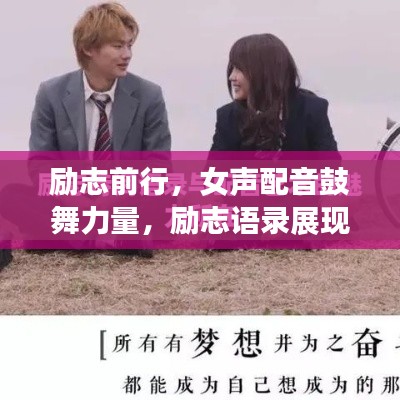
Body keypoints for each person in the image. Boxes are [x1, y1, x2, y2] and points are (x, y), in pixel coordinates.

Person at [16, 2, 171, 259]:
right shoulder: (51, 93)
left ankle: (83, 234)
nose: (127, 55)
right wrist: (75, 200)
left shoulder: (149, 95)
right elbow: (41, 163)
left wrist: (111, 199)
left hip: (125, 197)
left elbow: (157, 164)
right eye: (118, 46)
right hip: (71, 198)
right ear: (88, 48)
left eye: (129, 45)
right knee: (13, 194)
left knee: (161, 198)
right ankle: (101, 233)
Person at [210, 33, 337, 152]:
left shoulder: (310, 110)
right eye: (232, 69)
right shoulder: (228, 117)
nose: (231, 77)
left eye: (239, 69)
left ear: (263, 71)